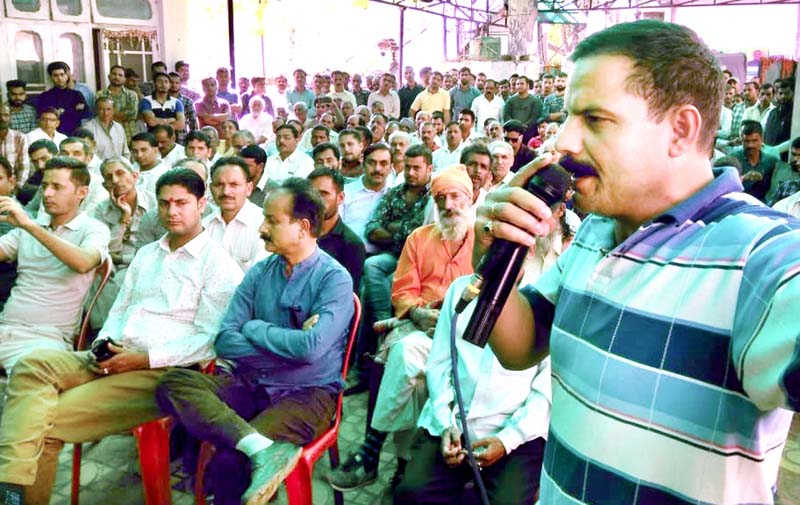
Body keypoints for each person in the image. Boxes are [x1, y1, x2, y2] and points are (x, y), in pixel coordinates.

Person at [477, 20, 800, 505]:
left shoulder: (762, 254)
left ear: (680, 130)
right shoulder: (595, 229)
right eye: (567, 116)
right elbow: (519, 346)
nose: (562, 141)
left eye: (595, 119)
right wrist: (500, 248)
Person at [0, 169, 242, 505]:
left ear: (202, 204)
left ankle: (13, 496)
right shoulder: (147, 255)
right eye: (165, 203)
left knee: (44, 421)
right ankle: (11, 484)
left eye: (182, 203)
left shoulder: (219, 266)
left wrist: (142, 359)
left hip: (163, 373)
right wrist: (104, 345)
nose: (172, 211)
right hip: (114, 355)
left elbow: (209, 340)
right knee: (31, 366)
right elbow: (119, 311)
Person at [155, 178, 354, 505]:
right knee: (173, 383)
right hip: (252, 382)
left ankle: (250, 451)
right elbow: (225, 341)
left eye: (272, 221)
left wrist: (256, 328)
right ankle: (259, 447)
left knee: (229, 464)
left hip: (307, 394)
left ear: (302, 227)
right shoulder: (260, 272)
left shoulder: (334, 279)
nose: (262, 228)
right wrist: (288, 350)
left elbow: (312, 349)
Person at [330, 165, 476, 493]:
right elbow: (402, 291)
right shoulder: (419, 238)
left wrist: (448, 319)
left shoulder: (485, 240)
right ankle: (404, 463)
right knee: (411, 368)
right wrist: (418, 312)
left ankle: (373, 452)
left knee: (406, 359)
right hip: (418, 326)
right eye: (441, 199)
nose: (448, 205)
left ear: (470, 198)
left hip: (464, 336)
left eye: (455, 197)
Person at [392, 275, 551, 505]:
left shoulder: (544, 303)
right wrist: (447, 423)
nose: (492, 249)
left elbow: (545, 394)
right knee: (412, 493)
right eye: (484, 237)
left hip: (515, 435)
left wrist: (507, 440)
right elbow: (439, 364)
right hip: (455, 423)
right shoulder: (461, 290)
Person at [0, 156, 108, 372]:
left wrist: (30, 226)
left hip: (45, 340)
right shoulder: (28, 228)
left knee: (29, 380)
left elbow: (84, 263)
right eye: (45, 186)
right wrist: (30, 226)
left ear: (82, 193)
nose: (47, 193)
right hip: (5, 329)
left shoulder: (93, 229)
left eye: (57, 187)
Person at [89, 156, 157, 328]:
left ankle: (110, 330)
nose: (116, 181)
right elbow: (107, 249)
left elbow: (156, 248)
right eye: (109, 177)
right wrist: (123, 218)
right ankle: (102, 330)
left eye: (120, 173)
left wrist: (123, 259)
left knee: (117, 281)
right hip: (112, 263)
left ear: (135, 176)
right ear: (105, 185)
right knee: (93, 276)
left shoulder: (155, 203)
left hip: (143, 262)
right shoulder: (101, 210)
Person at [204, 157, 266, 271]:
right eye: (219, 185)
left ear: (249, 188)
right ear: (211, 188)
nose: (226, 192)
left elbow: (260, 277)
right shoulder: (204, 226)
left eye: (234, 184)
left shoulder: (264, 225)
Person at [36, 62, 89, 136]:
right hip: (52, 134)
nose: (59, 78)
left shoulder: (76, 95)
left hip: (73, 133)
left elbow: (85, 113)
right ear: (51, 77)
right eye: (55, 75)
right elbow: (43, 116)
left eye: (62, 74)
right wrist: (73, 109)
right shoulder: (45, 96)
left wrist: (62, 111)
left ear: (67, 76)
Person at [96, 65, 140, 144]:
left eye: (120, 75)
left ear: (125, 79)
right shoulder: (100, 94)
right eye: (114, 74)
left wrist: (109, 115)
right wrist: (122, 115)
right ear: (109, 76)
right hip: (105, 133)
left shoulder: (131, 94)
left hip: (128, 133)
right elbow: (99, 115)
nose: (117, 77)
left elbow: (133, 114)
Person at [0, 104, 29, 185]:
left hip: (13, 184)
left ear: (10, 117)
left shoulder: (20, 138)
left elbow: (24, 167)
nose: (2, 119)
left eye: (6, 115)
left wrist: (18, 186)